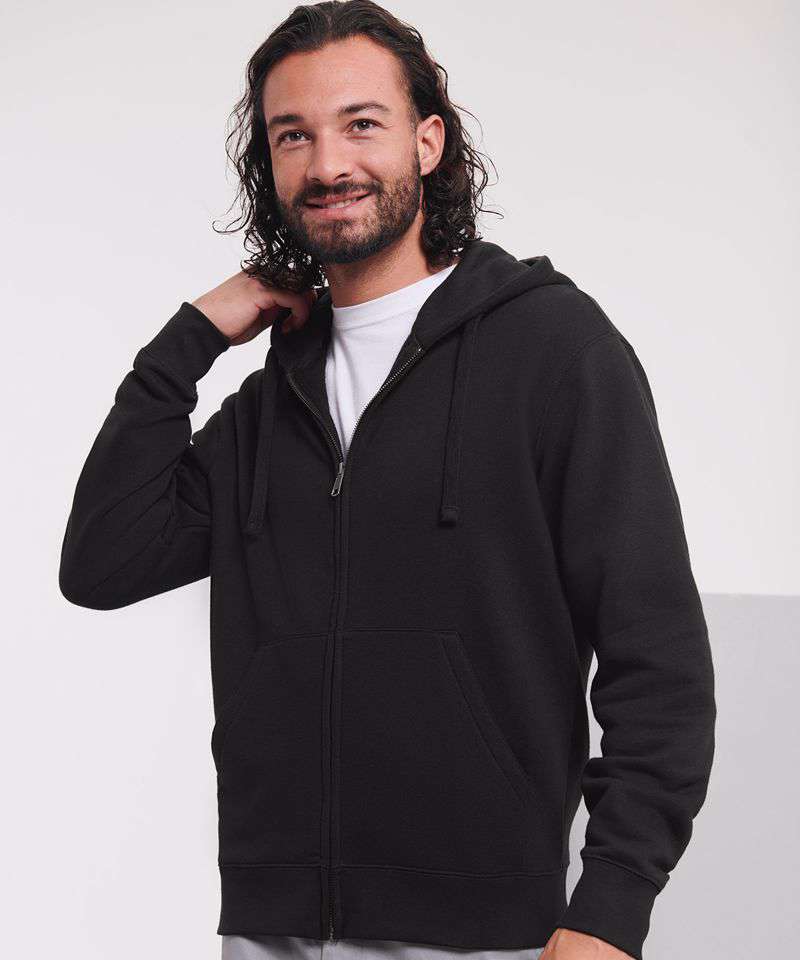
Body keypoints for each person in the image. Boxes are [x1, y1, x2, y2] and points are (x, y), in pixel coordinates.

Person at [58, 2, 716, 959]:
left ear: (428, 141)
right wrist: (191, 337)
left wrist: (611, 910)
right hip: (275, 926)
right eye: (294, 135)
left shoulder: (553, 353)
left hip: (485, 931)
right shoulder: (271, 404)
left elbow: (657, 656)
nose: (328, 164)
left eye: (361, 124)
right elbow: (102, 561)